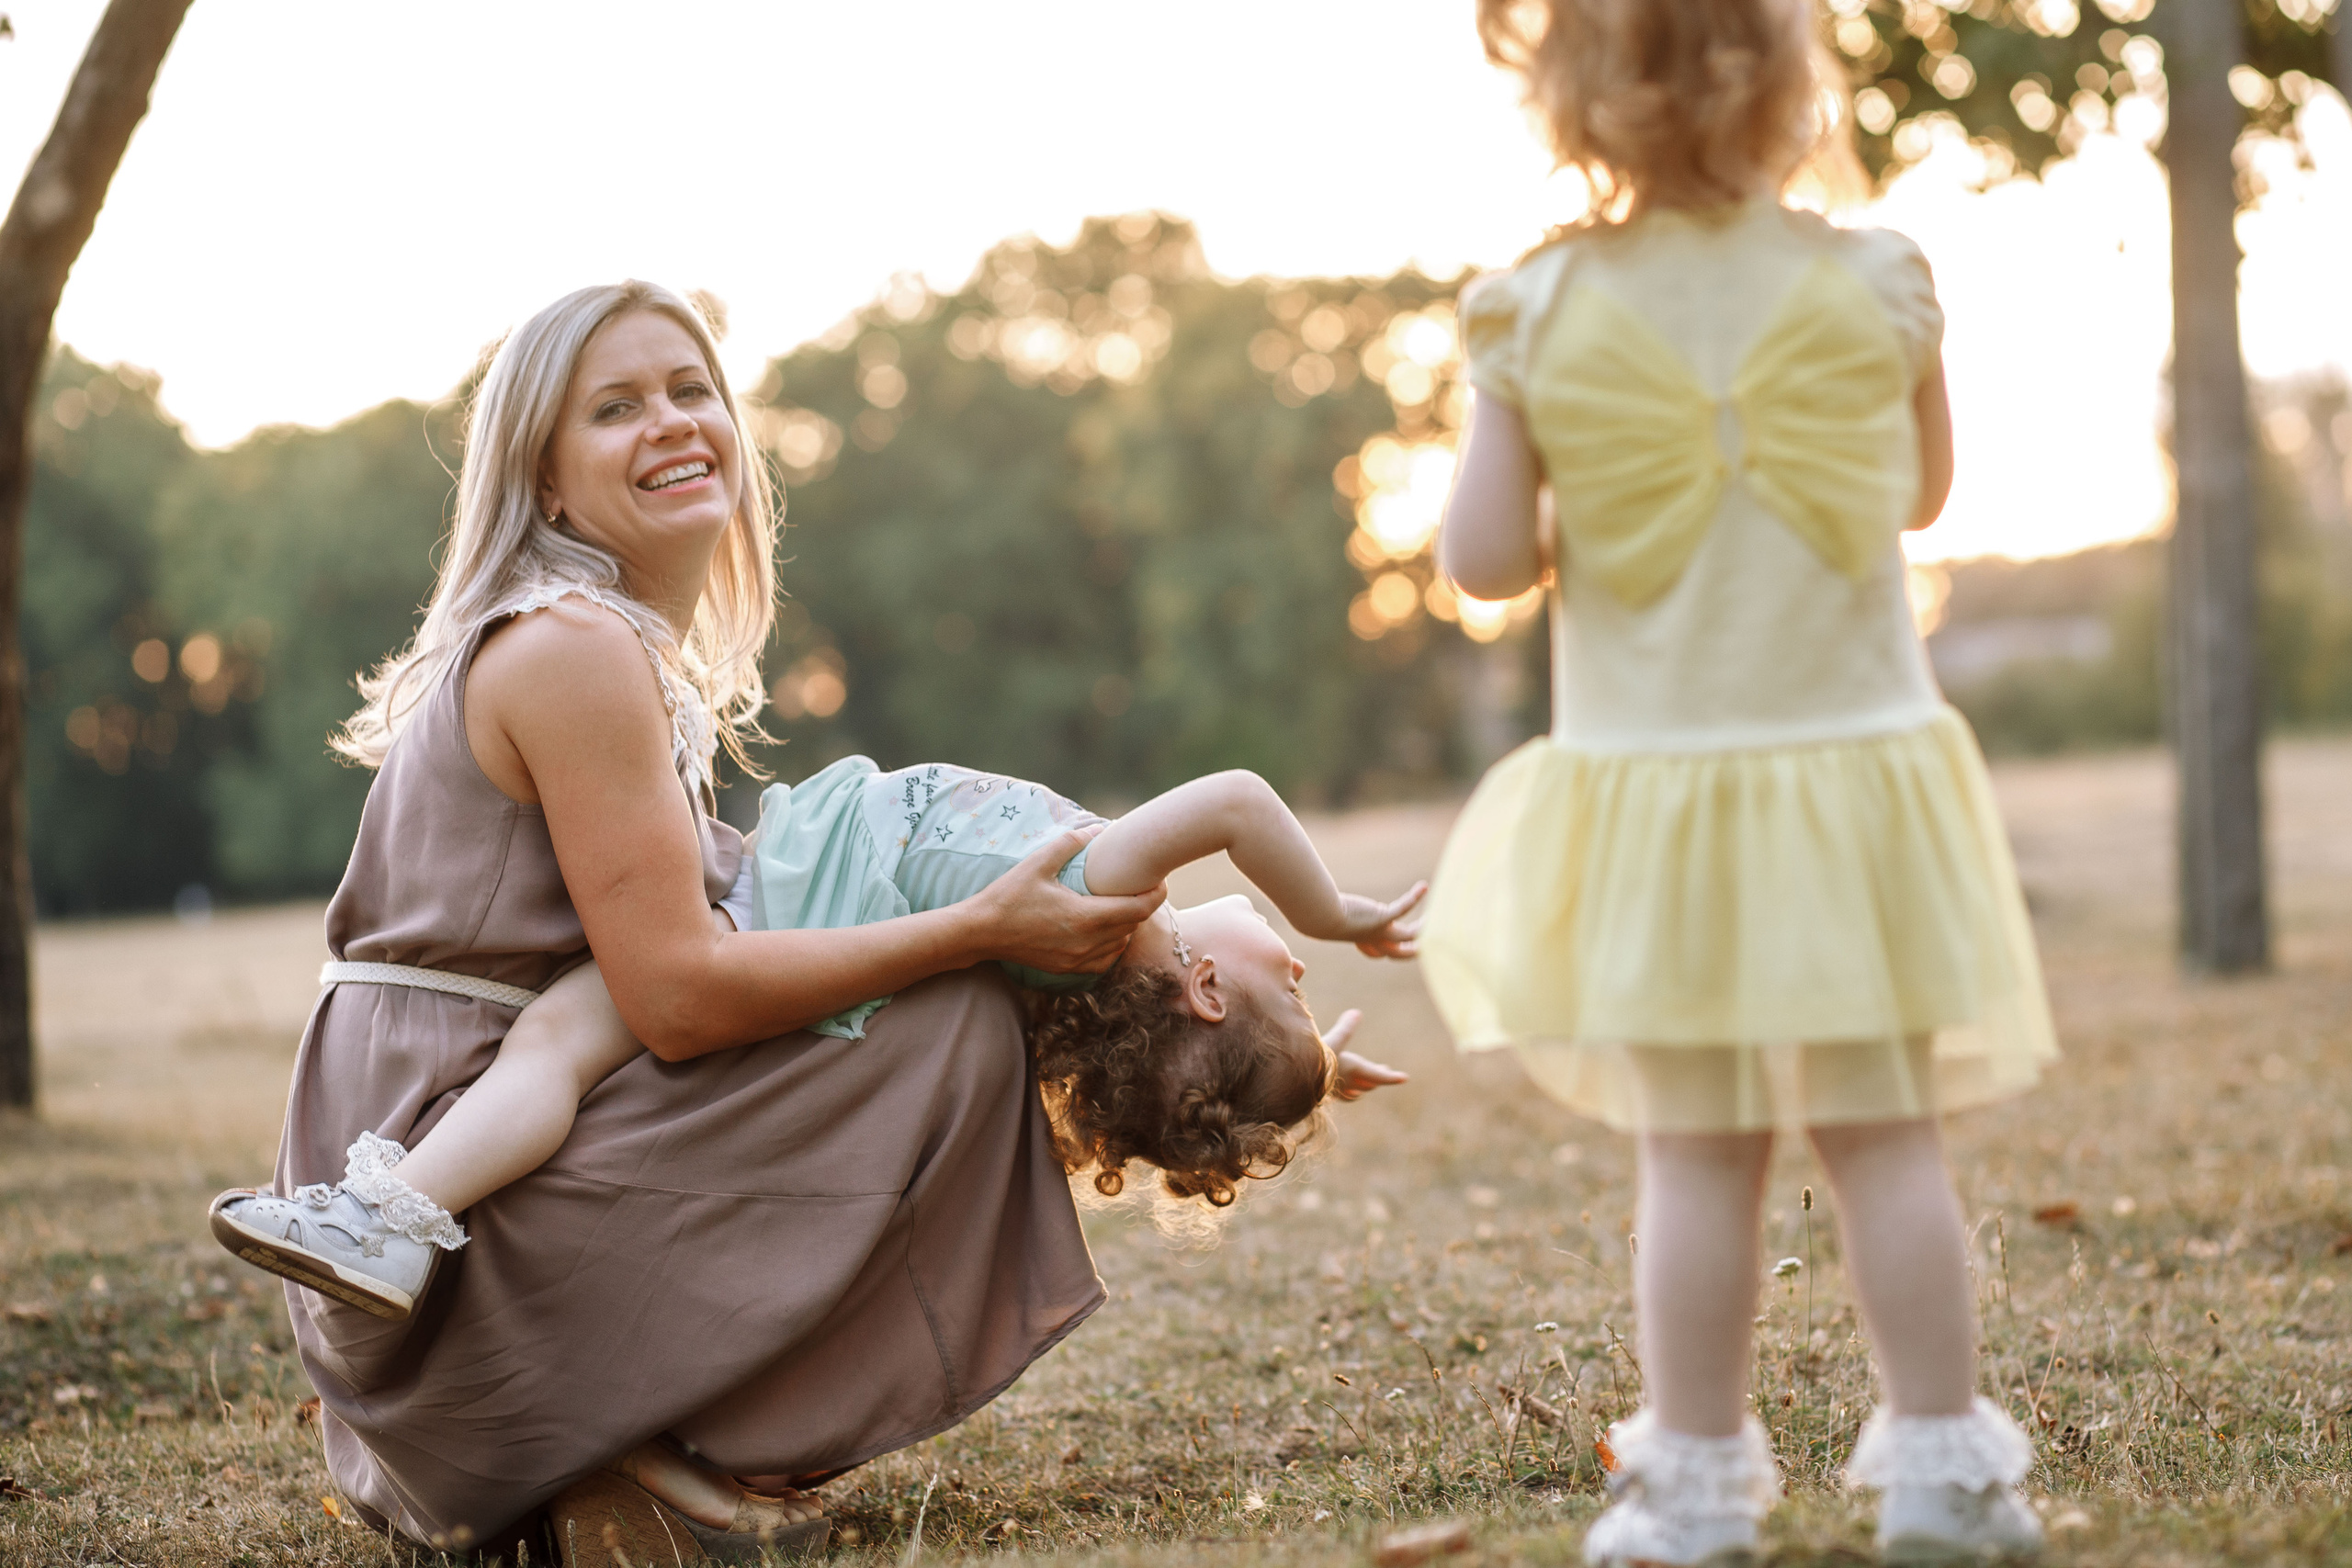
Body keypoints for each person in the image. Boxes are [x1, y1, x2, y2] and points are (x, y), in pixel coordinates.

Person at [200, 277, 1252, 1562]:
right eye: (618, 407)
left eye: (692, 391)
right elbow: (680, 999)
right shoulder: (573, 648)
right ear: (543, 481)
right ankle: (657, 1450)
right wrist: (978, 929)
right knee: (947, 1028)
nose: (675, 423)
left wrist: (1225, 994)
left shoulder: (618, 648)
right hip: (434, 1164)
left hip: (471, 1140)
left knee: (929, 1012)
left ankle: (642, 1460)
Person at [1419, 3, 2060, 1563]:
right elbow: (1922, 490)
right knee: (1887, 1139)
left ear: (1566, 96)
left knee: (1698, 1159)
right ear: (1791, 83)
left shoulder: (1538, 309)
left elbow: (1487, 564)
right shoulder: (1878, 279)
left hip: (1662, 801)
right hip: (1852, 790)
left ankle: (1695, 1498)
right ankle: (1945, 1485)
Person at [213, 756, 1421, 1319]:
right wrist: (1304, 1077)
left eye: (1296, 983)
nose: (1302, 960)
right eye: (1312, 978)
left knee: (551, 1052)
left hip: (757, 930)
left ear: (1206, 990)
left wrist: (1340, 914)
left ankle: (391, 1215)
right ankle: (397, 1224)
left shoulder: (1110, 903)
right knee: (558, 1055)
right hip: (782, 941)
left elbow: (1244, 800)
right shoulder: (1071, 992)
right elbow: (1191, 1069)